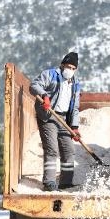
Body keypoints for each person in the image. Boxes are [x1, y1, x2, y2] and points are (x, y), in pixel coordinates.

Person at [30, 51, 82, 191]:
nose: (70, 70)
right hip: (48, 116)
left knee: (69, 150)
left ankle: (65, 182)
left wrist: (75, 127)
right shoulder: (50, 74)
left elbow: (75, 107)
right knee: (52, 149)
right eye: (68, 67)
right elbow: (34, 85)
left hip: (64, 119)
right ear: (62, 65)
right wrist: (44, 96)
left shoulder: (76, 84)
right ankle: (49, 182)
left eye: (73, 68)